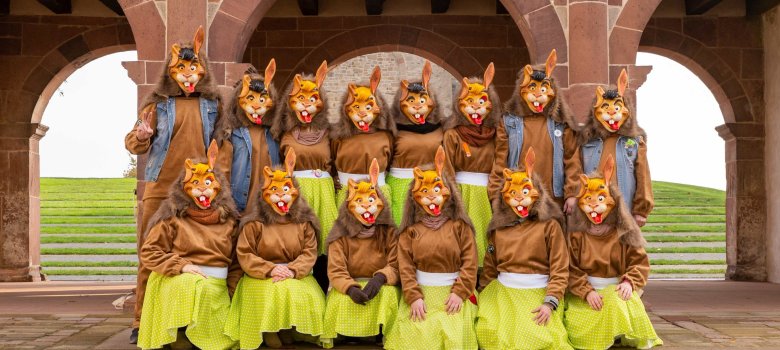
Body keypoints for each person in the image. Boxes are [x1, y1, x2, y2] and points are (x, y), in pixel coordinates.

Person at [123, 26, 222, 343]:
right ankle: (142, 321)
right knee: (149, 255)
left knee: (198, 254)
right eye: (182, 70)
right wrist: (141, 137)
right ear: (172, 73)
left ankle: (191, 321)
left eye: (194, 69)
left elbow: (224, 145)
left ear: (201, 71)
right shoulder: (157, 105)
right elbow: (132, 142)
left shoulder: (212, 106)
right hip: (160, 189)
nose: (188, 75)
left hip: (199, 192)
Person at [137, 141, 241, 350]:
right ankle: (177, 332)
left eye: (208, 184)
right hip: (181, 279)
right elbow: (149, 251)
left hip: (215, 284)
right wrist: (181, 266)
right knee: (190, 285)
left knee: (225, 338)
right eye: (196, 185)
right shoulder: (171, 218)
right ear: (185, 189)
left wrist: (232, 290)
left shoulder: (230, 222)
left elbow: (237, 263)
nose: (202, 189)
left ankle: (197, 334)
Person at [224, 149, 326, 349]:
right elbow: (245, 253)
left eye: (286, 191)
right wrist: (269, 269)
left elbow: (309, 252)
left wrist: (293, 269)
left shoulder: (304, 223)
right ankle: (269, 329)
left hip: (294, 271)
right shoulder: (254, 223)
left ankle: (290, 328)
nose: (281, 196)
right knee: (273, 291)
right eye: (275, 192)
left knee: (299, 291)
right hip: (261, 274)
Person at [476, 148, 572, 350]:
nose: (519, 198)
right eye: (513, 193)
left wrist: (550, 302)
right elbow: (490, 265)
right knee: (491, 332)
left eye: (525, 192)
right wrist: (485, 293)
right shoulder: (499, 228)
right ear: (505, 197)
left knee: (535, 337)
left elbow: (560, 268)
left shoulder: (549, 226)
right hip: (503, 292)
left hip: (538, 291)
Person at [564, 156, 663, 349]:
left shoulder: (625, 233)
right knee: (577, 326)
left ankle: (616, 333)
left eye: (600, 200)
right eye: (589, 201)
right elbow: (570, 268)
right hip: (585, 293)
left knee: (616, 303)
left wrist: (629, 281)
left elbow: (639, 263)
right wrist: (586, 291)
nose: (594, 205)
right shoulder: (576, 236)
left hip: (615, 288)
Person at [385, 146, 479, 350]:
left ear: (448, 195)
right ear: (415, 198)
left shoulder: (460, 227)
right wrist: (413, 296)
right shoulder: (410, 231)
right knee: (416, 336)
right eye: (424, 193)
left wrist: (459, 292)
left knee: (451, 334)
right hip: (422, 293)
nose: (431, 197)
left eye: (436, 191)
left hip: (453, 293)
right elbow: (406, 267)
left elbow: (470, 263)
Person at [488, 49, 582, 222]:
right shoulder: (509, 123)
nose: (538, 94)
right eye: (532, 88)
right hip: (518, 197)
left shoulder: (561, 124)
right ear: (521, 91)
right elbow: (500, 161)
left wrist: (572, 193)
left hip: (554, 198)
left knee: (553, 243)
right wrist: (495, 195)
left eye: (544, 88)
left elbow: (572, 160)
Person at [270, 60, 337, 291]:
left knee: (326, 244)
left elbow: (337, 164)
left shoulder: (330, 133)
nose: (306, 106)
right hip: (298, 192)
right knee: (302, 240)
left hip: (325, 193)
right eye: (301, 100)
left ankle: (326, 292)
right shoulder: (284, 134)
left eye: (312, 100)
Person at [321, 159, 400, 348]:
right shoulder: (339, 233)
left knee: (389, 295)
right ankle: (348, 333)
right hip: (351, 283)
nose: (366, 206)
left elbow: (397, 263)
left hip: (379, 283)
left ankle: (380, 334)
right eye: (360, 201)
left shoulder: (389, 231)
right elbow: (336, 270)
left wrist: (381, 277)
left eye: (371, 200)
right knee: (339, 299)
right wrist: (350, 287)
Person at [575, 69, 653, 227]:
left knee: (625, 250)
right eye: (605, 108)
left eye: (616, 108)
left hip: (624, 210)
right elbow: (576, 174)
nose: (611, 113)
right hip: (592, 208)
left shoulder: (635, 142)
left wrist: (641, 210)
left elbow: (643, 176)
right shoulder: (585, 142)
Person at [443, 62, 500, 266]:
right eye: (470, 101)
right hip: (462, 194)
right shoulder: (452, 135)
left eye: (481, 101)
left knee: (485, 239)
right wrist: (452, 197)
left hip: (486, 194)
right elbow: (446, 166)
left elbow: (499, 162)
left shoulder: (495, 135)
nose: (476, 106)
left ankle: (482, 278)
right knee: (465, 238)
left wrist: (495, 193)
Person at [215, 60, 281, 216]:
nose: (257, 105)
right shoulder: (232, 134)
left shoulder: (275, 134)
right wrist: (224, 203)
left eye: (262, 99)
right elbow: (221, 171)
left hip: (270, 206)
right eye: (251, 99)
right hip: (241, 206)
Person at [387, 61, 445, 225]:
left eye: (422, 100)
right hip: (400, 187)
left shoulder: (441, 129)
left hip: (431, 187)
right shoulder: (393, 131)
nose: (418, 106)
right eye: (412, 100)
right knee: (401, 230)